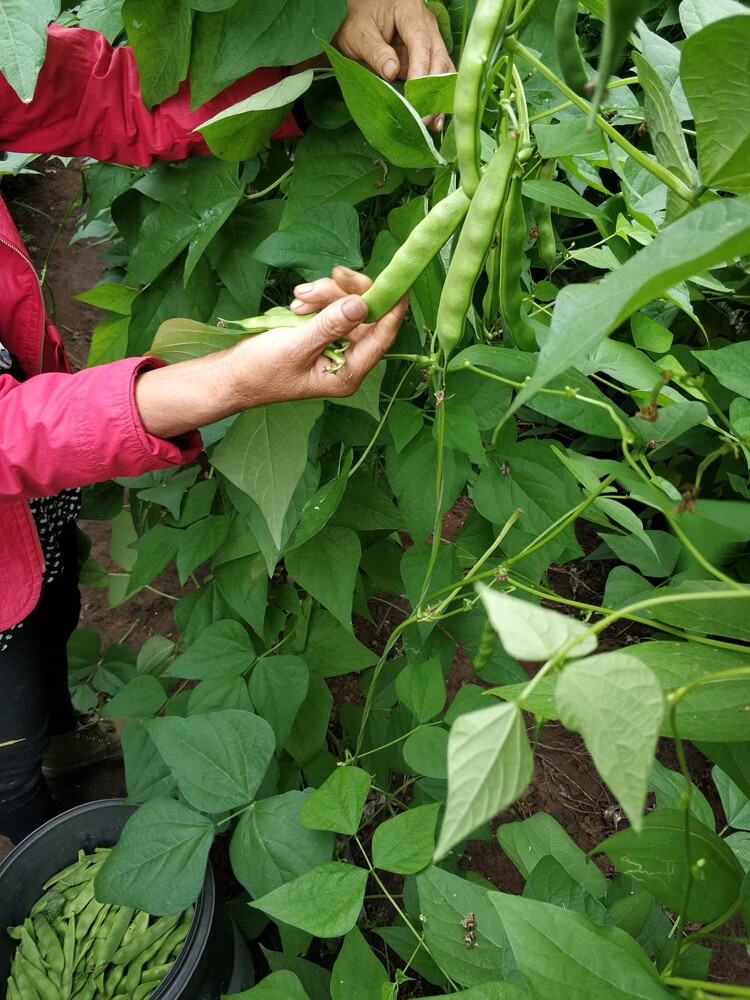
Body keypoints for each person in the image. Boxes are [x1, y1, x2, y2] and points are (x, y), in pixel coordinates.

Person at [0, 1, 453, 846]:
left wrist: (317, 33)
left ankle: (63, 734)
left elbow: (115, 97)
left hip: (30, 497)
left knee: (53, 603)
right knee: (7, 723)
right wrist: (214, 385)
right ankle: (36, 845)